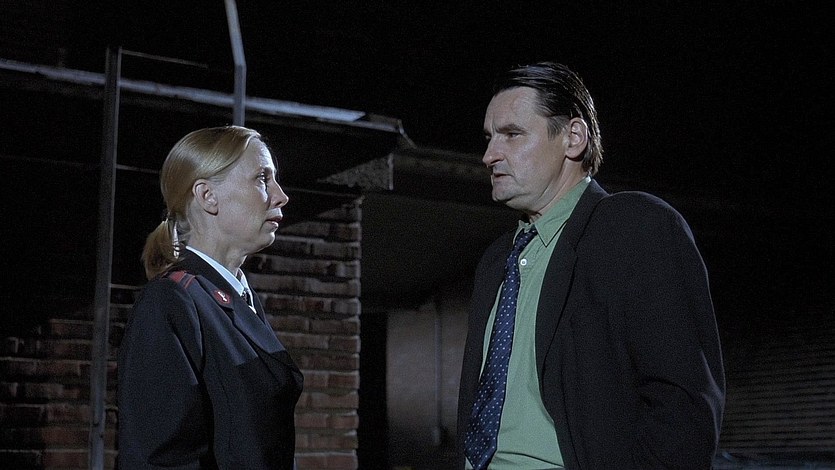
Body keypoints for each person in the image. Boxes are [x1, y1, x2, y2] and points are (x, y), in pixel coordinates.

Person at [456, 61, 725, 469]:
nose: (489, 155)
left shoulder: (633, 227)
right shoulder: (495, 260)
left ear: (573, 138)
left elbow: (683, 408)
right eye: (490, 138)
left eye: (512, 134)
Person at [117, 125, 303, 469]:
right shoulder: (172, 301)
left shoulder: (237, 298)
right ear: (207, 196)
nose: (281, 196)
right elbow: (162, 458)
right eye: (262, 179)